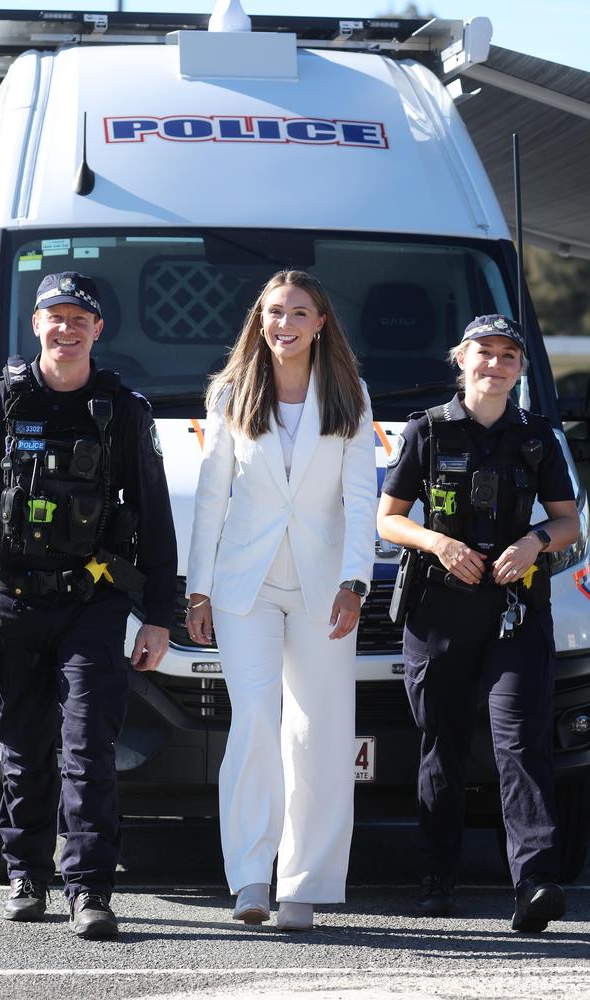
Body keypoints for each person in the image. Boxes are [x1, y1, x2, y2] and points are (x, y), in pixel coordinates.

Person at [0, 272, 177, 939]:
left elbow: (156, 520)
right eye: (55, 317)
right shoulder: (1, 405)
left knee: (88, 748)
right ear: (36, 325)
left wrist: (160, 614)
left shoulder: (123, 412)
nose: (66, 329)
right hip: (12, 602)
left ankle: (89, 889)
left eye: (80, 318)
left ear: (98, 329)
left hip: (91, 605)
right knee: (23, 747)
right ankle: (26, 874)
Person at [186, 270, 377, 931]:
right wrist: (199, 588)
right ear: (259, 321)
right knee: (257, 723)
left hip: (327, 590)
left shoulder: (351, 395)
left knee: (317, 733)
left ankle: (305, 884)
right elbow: (213, 496)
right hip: (247, 586)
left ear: (322, 322)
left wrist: (357, 583)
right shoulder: (233, 394)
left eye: (299, 311)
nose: (285, 322)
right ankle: (250, 879)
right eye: (274, 312)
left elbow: (361, 500)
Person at [377, 314, 580, 932]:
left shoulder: (538, 437)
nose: (495, 366)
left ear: (520, 369)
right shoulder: (426, 432)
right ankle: (438, 877)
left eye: (508, 357)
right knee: (442, 741)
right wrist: (439, 544)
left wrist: (535, 542)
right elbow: (388, 519)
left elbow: (569, 520)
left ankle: (534, 884)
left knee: (520, 741)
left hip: (515, 611)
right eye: (483, 354)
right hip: (439, 611)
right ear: (460, 360)